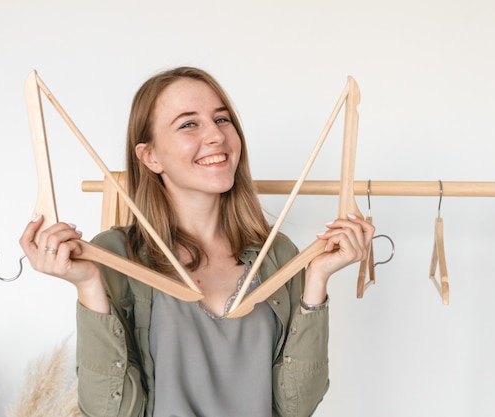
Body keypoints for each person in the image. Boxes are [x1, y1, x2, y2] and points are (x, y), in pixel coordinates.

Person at [20, 67, 375, 417]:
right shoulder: (115, 256)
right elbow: (111, 412)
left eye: (222, 120)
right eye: (189, 124)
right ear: (150, 156)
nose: (217, 136)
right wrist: (88, 283)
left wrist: (316, 281)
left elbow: (296, 408)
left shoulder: (278, 255)